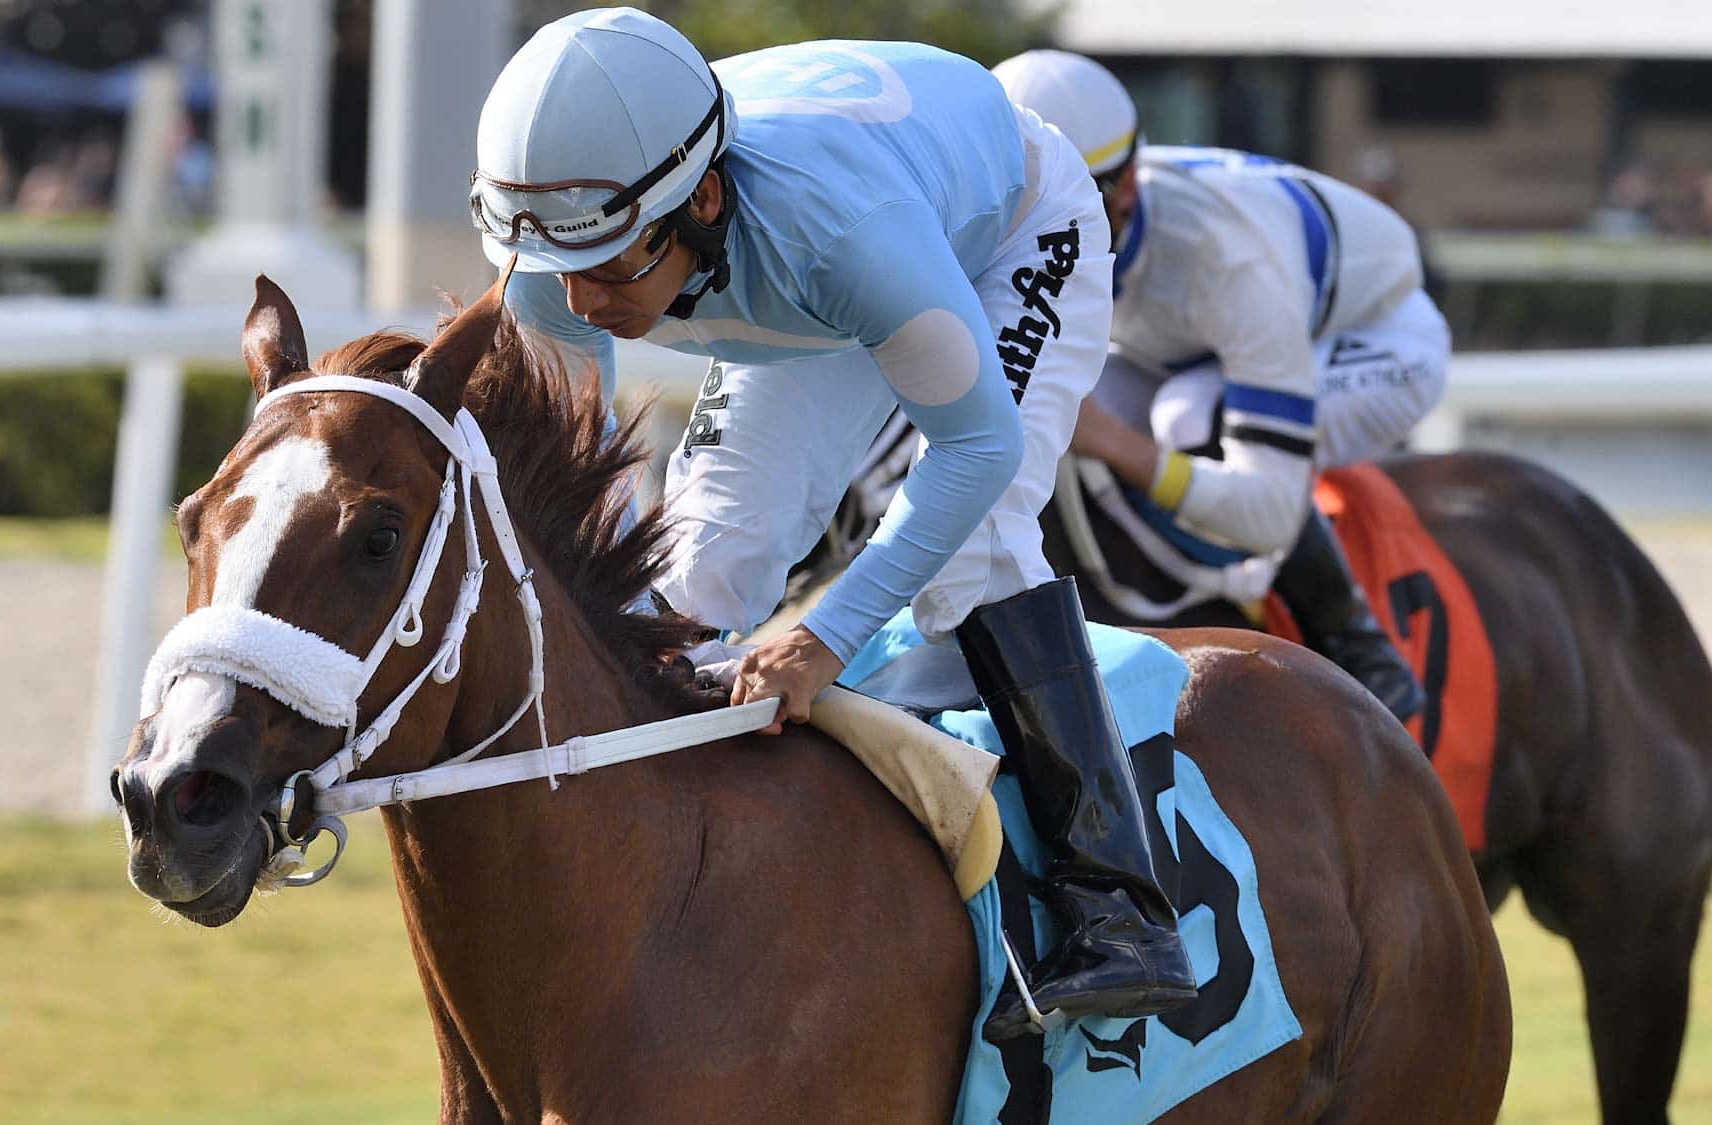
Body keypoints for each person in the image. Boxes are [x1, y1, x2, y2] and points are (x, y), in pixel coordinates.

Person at [473, 8, 1194, 1035]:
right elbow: (590, 506)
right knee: (695, 568)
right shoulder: (550, 254)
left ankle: (1118, 904)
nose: (582, 303)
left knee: (973, 549)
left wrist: (820, 638)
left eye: (614, 264)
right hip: (823, 265)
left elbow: (975, 451)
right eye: (561, 267)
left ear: (703, 198)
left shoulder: (840, 234)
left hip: (994, 233)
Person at [991, 50, 1446, 721]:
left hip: (1377, 334)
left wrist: (1118, 446)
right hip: (1200, 336)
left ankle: (1356, 641)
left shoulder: (1229, 263)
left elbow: (1269, 509)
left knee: (1183, 416)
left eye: (1049, 214)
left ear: (1123, 192)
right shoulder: (1099, 193)